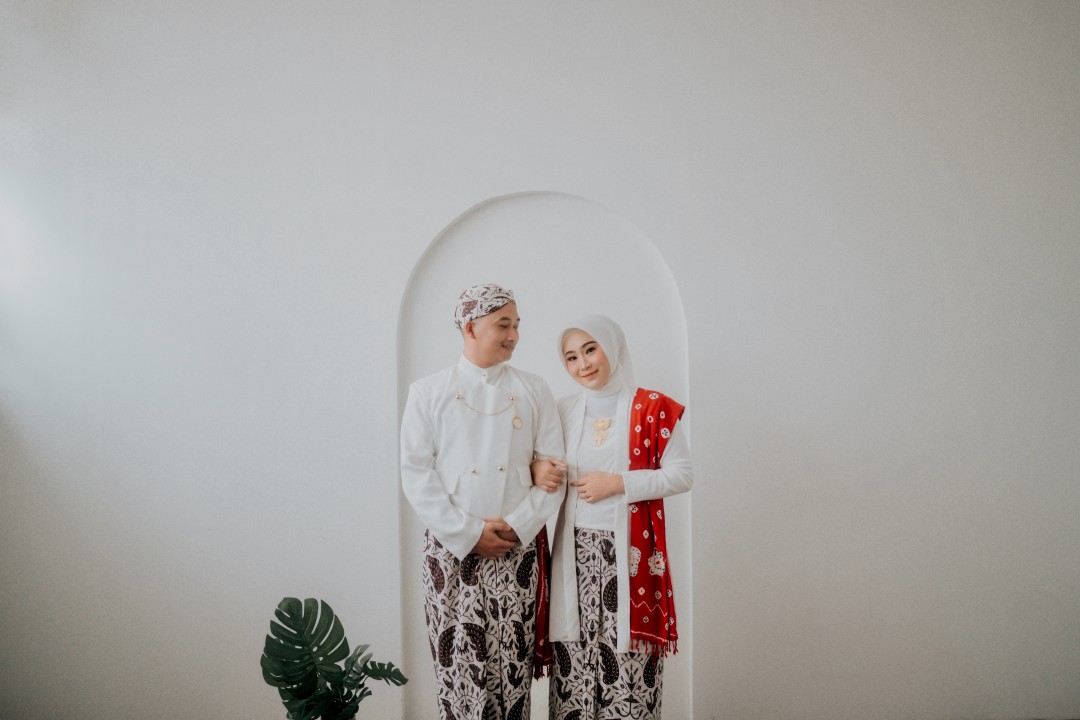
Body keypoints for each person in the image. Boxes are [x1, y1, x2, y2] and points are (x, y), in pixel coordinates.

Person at [400, 283, 566, 720]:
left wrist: (516, 527)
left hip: (516, 551)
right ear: (470, 328)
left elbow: (554, 473)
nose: (514, 335)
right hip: (450, 552)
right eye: (503, 325)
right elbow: (416, 475)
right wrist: (469, 534)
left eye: (517, 325)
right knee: (458, 674)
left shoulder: (534, 389)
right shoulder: (428, 392)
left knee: (511, 674)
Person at [533, 315, 692, 720]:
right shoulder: (563, 410)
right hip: (575, 556)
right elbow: (540, 463)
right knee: (574, 658)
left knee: (628, 665)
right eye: (571, 357)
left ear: (612, 347)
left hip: (629, 556)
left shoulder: (653, 407)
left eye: (590, 349)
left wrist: (618, 483)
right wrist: (539, 469)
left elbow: (682, 474)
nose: (582, 364)